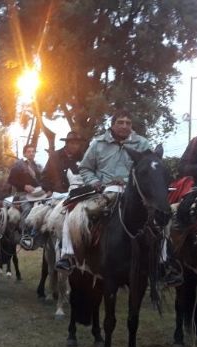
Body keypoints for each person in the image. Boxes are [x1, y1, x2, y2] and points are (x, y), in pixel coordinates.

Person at [56, 110, 151, 272]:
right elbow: (86, 168)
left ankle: (164, 260)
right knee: (73, 213)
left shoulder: (142, 144)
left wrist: (130, 182)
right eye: (120, 122)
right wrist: (94, 182)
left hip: (134, 194)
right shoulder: (98, 144)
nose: (124, 126)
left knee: (162, 217)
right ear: (112, 125)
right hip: (103, 192)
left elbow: (149, 169)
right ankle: (68, 255)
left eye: (128, 123)